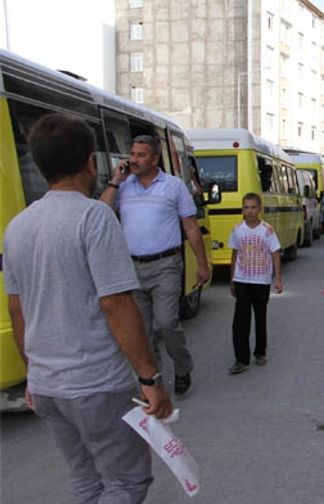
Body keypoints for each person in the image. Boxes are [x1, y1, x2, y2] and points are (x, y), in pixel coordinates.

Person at [3, 113, 172, 503]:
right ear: (91, 162)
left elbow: (17, 311)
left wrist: (33, 375)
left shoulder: (17, 227)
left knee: (87, 480)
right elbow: (115, 303)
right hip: (95, 383)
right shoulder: (94, 216)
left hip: (47, 386)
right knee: (125, 483)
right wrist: (150, 379)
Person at [100, 134, 210, 397]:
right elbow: (101, 212)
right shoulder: (124, 187)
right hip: (132, 267)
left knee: (166, 322)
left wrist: (203, 265)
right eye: (133, 154)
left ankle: (182, 367)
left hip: (166, 266)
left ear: (155, 158)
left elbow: (191, 226)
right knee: (141, 329)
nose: (134, 159)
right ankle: (154, 379)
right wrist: (116, 180)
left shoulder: (173, 186)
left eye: (140, 155)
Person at [227, 193, 283, 374]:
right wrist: (232, 280)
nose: (249, 211)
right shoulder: (237, 230)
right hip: (242, 279)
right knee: (240, 321)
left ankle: (260, 352)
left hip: (261, 281)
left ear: (259, 209)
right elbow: (234, 255)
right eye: (246, 207)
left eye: (253, 207)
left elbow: (275, 253)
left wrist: (278, 279)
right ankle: (241, 358)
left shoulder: (267, 230)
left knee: (260, 317)